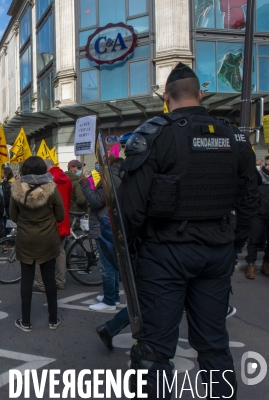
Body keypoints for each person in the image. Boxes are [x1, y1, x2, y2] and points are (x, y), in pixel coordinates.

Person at [118, 63, 258, 399]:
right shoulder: (234, 137)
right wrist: (233, 243)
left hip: (164, 252)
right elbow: (251, 200)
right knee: (213, 345)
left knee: (154, 350)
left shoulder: (153, 134)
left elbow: (130, 210)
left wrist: (136, 252)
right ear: (202, 94)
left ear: (166, 98)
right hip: (217, 250)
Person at [10, 156, 65, 332]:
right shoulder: (51, 188)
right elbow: (61, 215)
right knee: (49, 279)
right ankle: (53, 319)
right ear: (43, 169)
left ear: (24, 170)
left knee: (26, 280)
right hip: (47, 238)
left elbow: (13, 216)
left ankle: (26, 321)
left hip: (25, 238)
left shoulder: (17, 189)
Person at [80, 164, 121, 311]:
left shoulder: (109, 180)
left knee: (107, 266)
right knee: (112, 263)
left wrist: (84, 184)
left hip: (104, 226)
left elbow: (97, 201)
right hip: (110, 224)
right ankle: (113, 296)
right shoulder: (116, 177)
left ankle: (109, 300)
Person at [33, 159, 72, 293]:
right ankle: (60, 281)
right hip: (64, 220)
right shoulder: (66, 179)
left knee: (40, 252)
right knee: (60, 251)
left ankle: (40, 283)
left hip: (48, 220)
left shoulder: (46, 181)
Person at [245, 155, 269, 279]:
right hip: (258, 214)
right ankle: (250, 265)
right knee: (254, 240)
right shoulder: (258, 178)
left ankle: (266, 264)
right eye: (268, 165)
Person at [65, 160, 88, 228]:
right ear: (71, 168)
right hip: (76, 215)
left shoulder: (63, 180)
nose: (80, 170)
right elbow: (81, 200)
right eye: (78, 168)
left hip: (66, 214)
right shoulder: (77, 182)